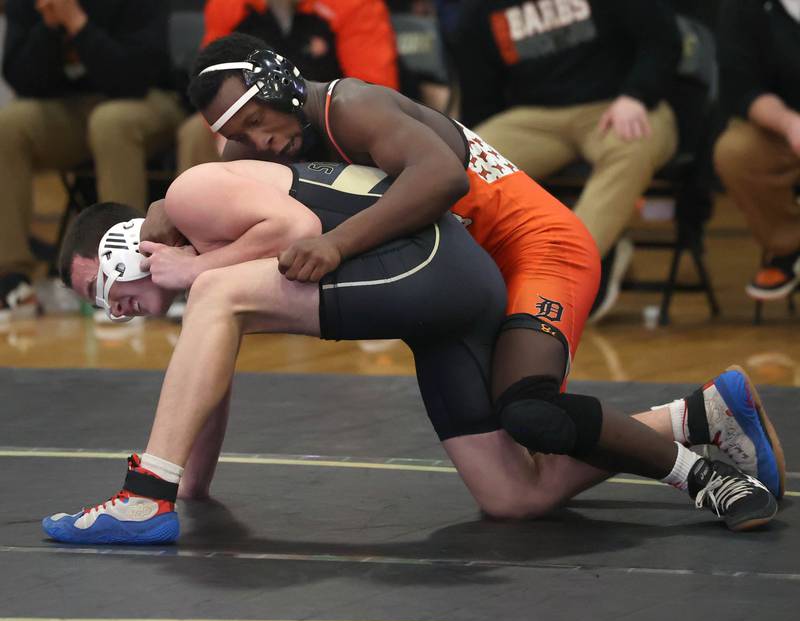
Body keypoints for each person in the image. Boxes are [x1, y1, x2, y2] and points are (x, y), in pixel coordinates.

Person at [178, 34, 785, 509]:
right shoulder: (254, 147)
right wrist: (165, 212)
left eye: (259, 119)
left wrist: (335, 245)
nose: (261, 141)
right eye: (240, 134)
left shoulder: (350, 106)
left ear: (281, 86)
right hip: (464, 280)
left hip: (539, 248)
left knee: (531, 412)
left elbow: (443, 179)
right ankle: (702, 415)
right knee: (512, 495)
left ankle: (703, 478)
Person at [43, 157, 782, 544]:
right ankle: (695, 418)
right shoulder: (212, 288)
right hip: (443, 295)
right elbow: (208, 384)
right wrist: (194, 485)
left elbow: (294, 223)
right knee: (512, 496)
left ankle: (143, 498)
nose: (113, 309)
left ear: (131, 243)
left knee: (215, 296)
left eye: (103, 285)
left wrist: (199, 272)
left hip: (440, 265)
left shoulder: (195, 193)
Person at [451, 0, 682, 322]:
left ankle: (561, 273)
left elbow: (663, 41)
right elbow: (481, 97)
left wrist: (637, 95)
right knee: (465, 158)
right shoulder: (479, 12)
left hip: (618, 104)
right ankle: (461, 282)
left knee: (632, 146)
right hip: (535, 117)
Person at [0, 0, 186, 318]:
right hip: (68, 108)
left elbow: (133, 77)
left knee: (110, 123)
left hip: (148, 99)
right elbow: (21, 79)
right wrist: (48, 28)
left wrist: (77, 24)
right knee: (9, 125)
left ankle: (130, 267)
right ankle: (13, 278)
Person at [177, 0, 399, 174]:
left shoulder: (353, 4)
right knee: (196, 131)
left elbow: (372, 83)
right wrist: (236, 132)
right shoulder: (227, 6)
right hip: (257, 112)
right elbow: (209, 84)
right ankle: (197, 214)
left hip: (326, 109)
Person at [713, 0, 800, 301]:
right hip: (780, 129)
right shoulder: (742, 8)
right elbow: (741, 87)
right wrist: (789, 123)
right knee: (736, 151)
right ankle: (789, 247)